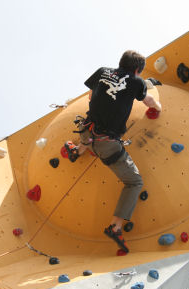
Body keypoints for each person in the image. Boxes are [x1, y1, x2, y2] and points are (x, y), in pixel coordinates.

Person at [68, 50, 161, 253]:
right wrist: (159, 107)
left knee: (91, 128)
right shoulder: (137, 82)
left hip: (86, 131)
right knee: (134, 182)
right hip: (106, 144)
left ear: (121, 62)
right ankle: (115, 226)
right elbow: (149, 102)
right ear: (137, 70)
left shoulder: (103, 71)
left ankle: (78, 150)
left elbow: (91, 96)